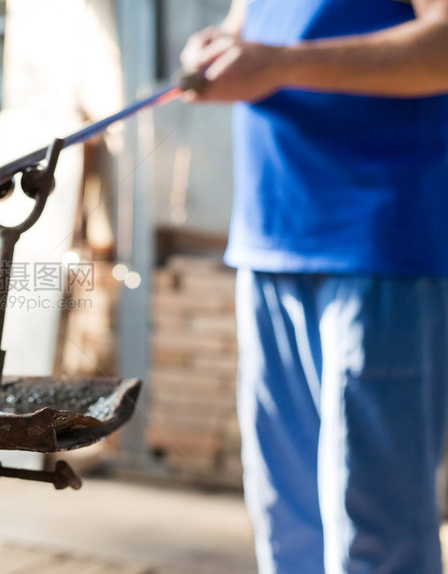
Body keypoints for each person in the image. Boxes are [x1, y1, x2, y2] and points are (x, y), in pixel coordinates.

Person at [180, 0, 448, 572]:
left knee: (376, 527)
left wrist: (279, 64)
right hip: (269, 235)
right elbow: (245, 29)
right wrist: (216, 50)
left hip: (378, 242)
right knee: (287, 519)